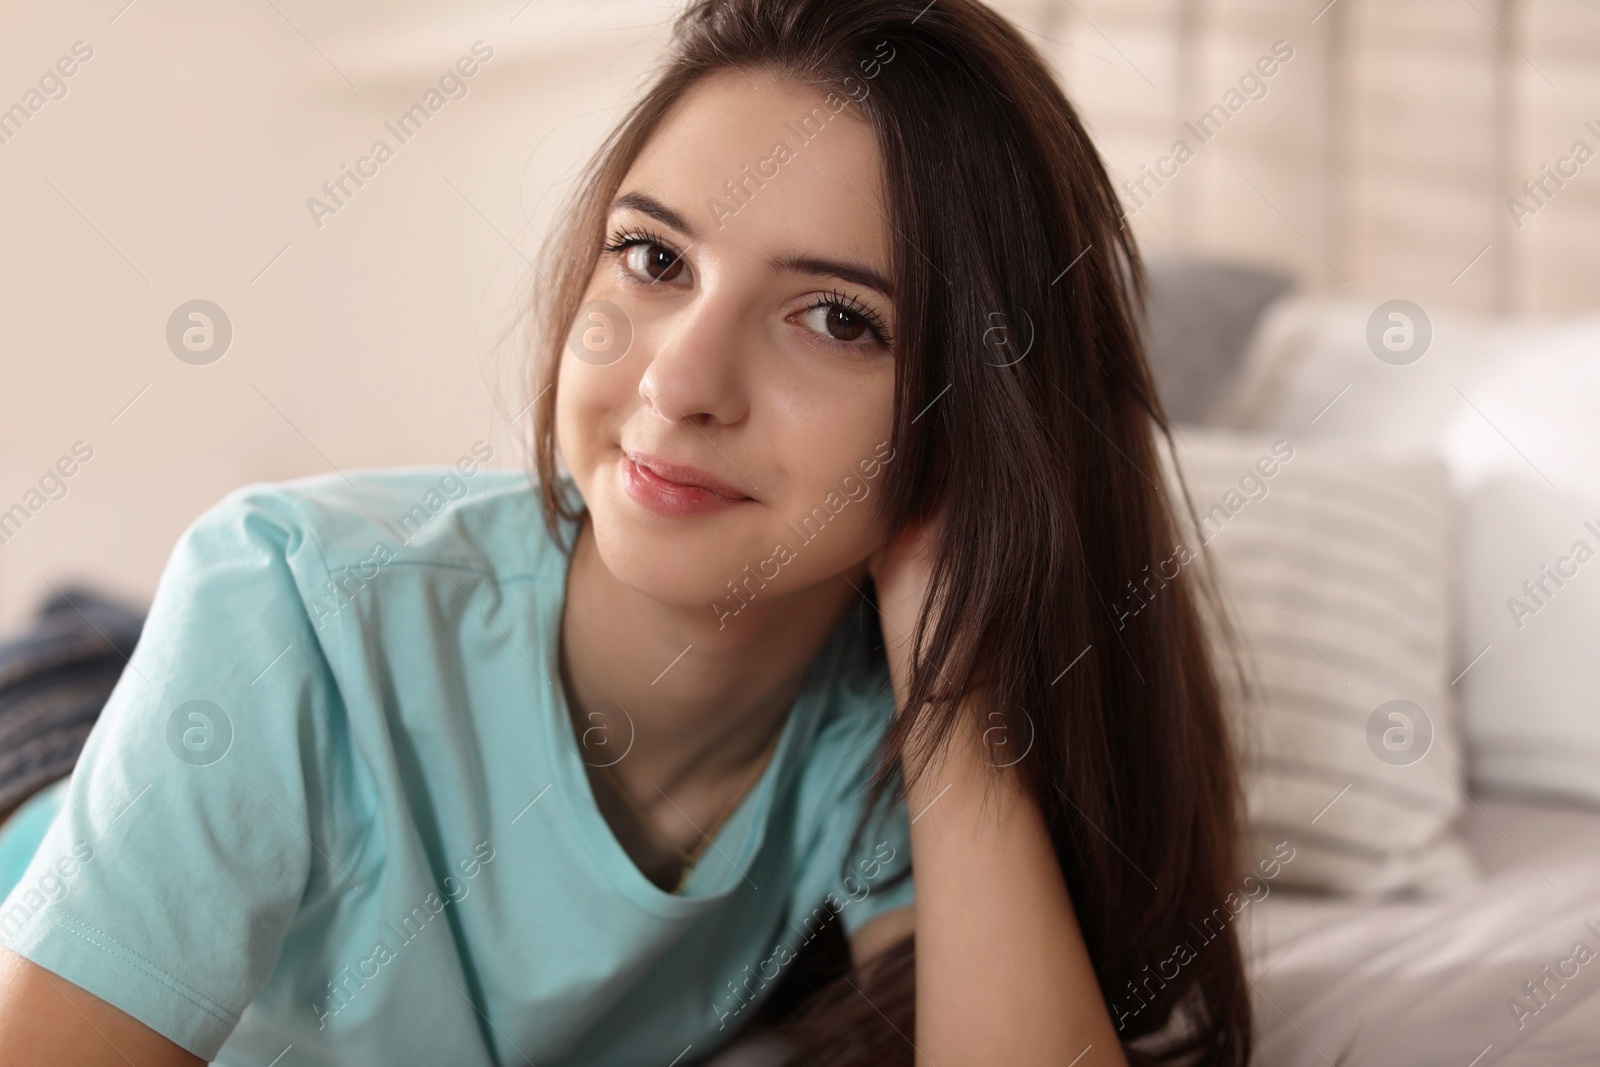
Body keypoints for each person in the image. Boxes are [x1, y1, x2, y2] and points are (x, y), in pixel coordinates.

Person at [0, 0, 1254, 1064]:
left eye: (835, 318)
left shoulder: (878, 734)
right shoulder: (285, 597)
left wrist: (955, 626)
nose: (678, 380)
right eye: (654, 258)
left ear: (968, 415)